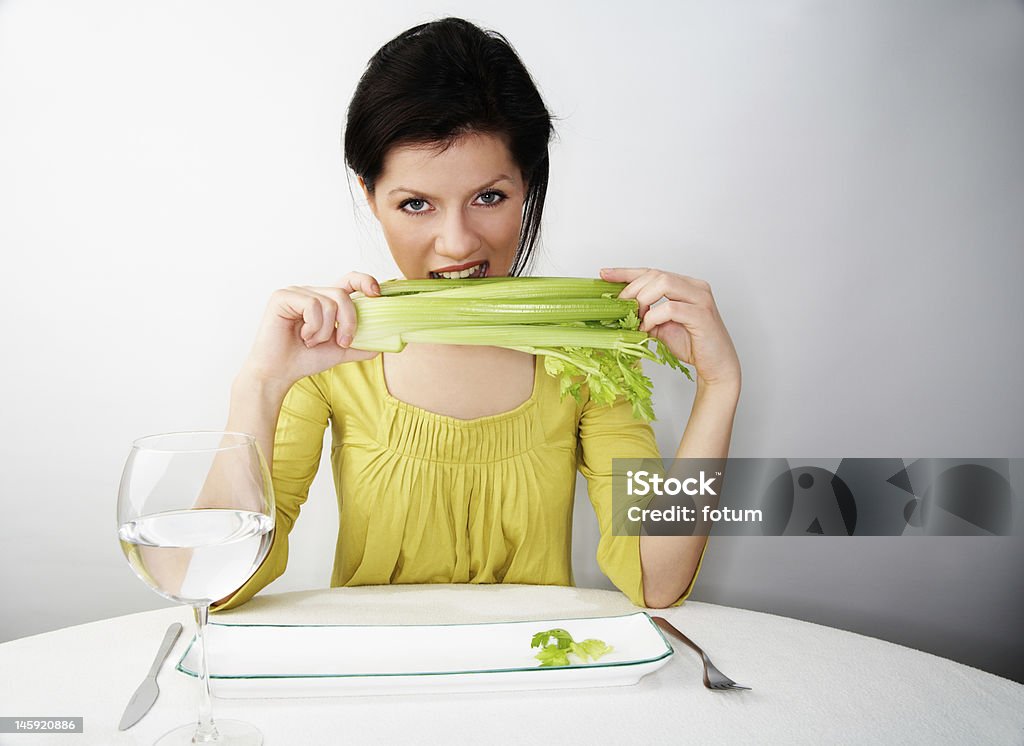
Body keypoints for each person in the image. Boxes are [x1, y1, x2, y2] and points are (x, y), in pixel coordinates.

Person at [212, 17, 741, 612]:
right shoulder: (332, 346)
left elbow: (656, 579)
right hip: (376, 684)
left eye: (489, 197)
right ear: (370, 197)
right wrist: (259, 384)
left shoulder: (586, 348)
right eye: (416, 204)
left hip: (537, 673)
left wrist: (719, 387)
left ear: (528, 184)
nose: (458, 243)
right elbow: (216, 583)